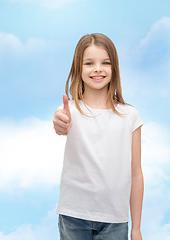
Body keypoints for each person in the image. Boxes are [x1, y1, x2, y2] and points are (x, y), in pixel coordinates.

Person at [53, 33, 144, 240]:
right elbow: (60, 125)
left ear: (115, 68)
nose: (97, 69)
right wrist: (60, 123)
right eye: (89, 63)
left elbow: (136, 173)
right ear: (79, 67)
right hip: (73, 216)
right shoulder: (69, 111)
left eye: (105, 62)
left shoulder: (130, 115)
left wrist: (136, 228)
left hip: (115, 220)